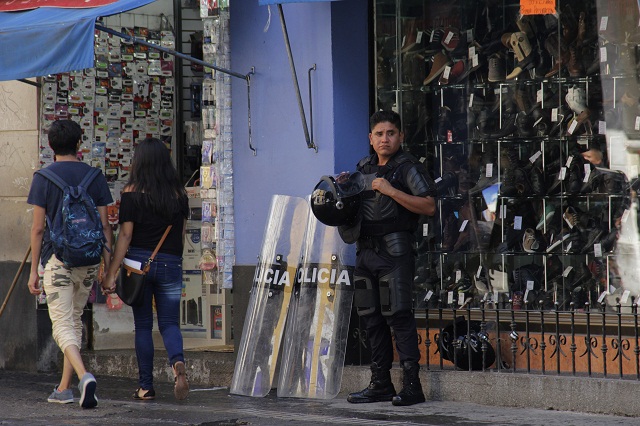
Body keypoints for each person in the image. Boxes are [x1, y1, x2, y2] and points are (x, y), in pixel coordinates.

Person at [346, 110, 436, 406]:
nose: (385, 138)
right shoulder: (363, 167)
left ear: (401, 136)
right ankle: (380, 384)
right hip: (365, 252)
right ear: (370, 139)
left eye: (391, 133)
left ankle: (412, 387)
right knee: (371, 319)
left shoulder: (408, 167)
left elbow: (428, 206)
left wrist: (390, 190)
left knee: (399, 316)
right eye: (380, 134)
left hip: (395, 252)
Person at [27, 119, 114, 408]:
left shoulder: (43, 178)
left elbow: (38, 229)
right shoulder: (95, 176)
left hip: (58, 260)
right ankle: (64, 388)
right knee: (74, 319)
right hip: (88, 261)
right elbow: (104, 227)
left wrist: (34, 272)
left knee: (61, 324)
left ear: (51, 146)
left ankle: (84, 376)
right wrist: (107, 267)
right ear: (79, 144)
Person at [102, 137, 190, 401]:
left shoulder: (130, 193)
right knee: (170, 323)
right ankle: (177, 364)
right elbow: (183, 235)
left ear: (139, 162)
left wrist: (111, 272)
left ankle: (146, 387)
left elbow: (125, 236)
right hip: (170, 263)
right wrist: (173, 263)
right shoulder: (179, 195)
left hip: (138, 265)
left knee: (143, 325)